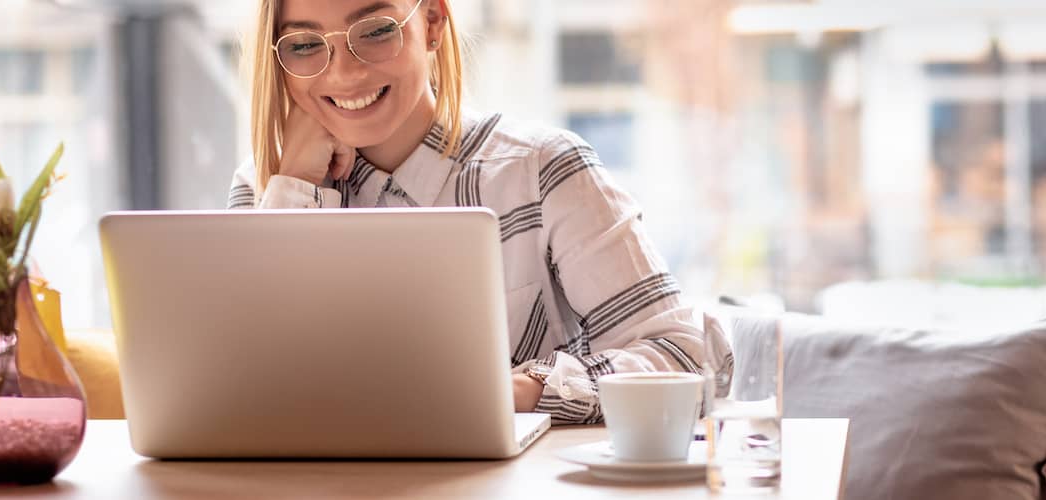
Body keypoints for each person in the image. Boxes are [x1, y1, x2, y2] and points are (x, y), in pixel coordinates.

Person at [228, 0, 725, 424]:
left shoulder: (541, 171)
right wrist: (293, 190)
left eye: (377, 31)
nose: (344, 72)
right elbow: (235, 390)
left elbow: (688, 356)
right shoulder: (266, 186)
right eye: (304, 45)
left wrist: (520, 391)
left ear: (435, 23)